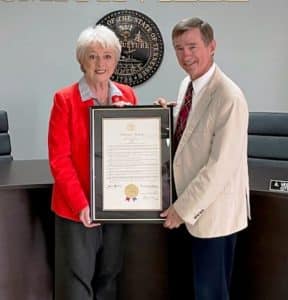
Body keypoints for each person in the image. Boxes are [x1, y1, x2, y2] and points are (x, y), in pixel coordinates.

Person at [156, 17, 250, 300]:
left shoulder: (229, 97)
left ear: (212, 47)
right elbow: (192, 130)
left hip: (212, 214)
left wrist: (182, 209)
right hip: (189, 211)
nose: (186, 55)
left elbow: (220, 167)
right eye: (179, 48)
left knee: (210, 293)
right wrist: (165, 115)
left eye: (193, 47)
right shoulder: (188, 84)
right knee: (191, 288)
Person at [48, 25, 138, 300]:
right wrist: (81, 204)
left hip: (115, 206)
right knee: (76, 285)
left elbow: (134, 154)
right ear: (81, 60)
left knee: (109, 279)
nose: (100, 63)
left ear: (116, 60)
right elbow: (59, 160)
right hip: (78, 209)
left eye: (107, 56)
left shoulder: (127, 95)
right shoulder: (65, 99)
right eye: (92, 56)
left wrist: (135, 120)